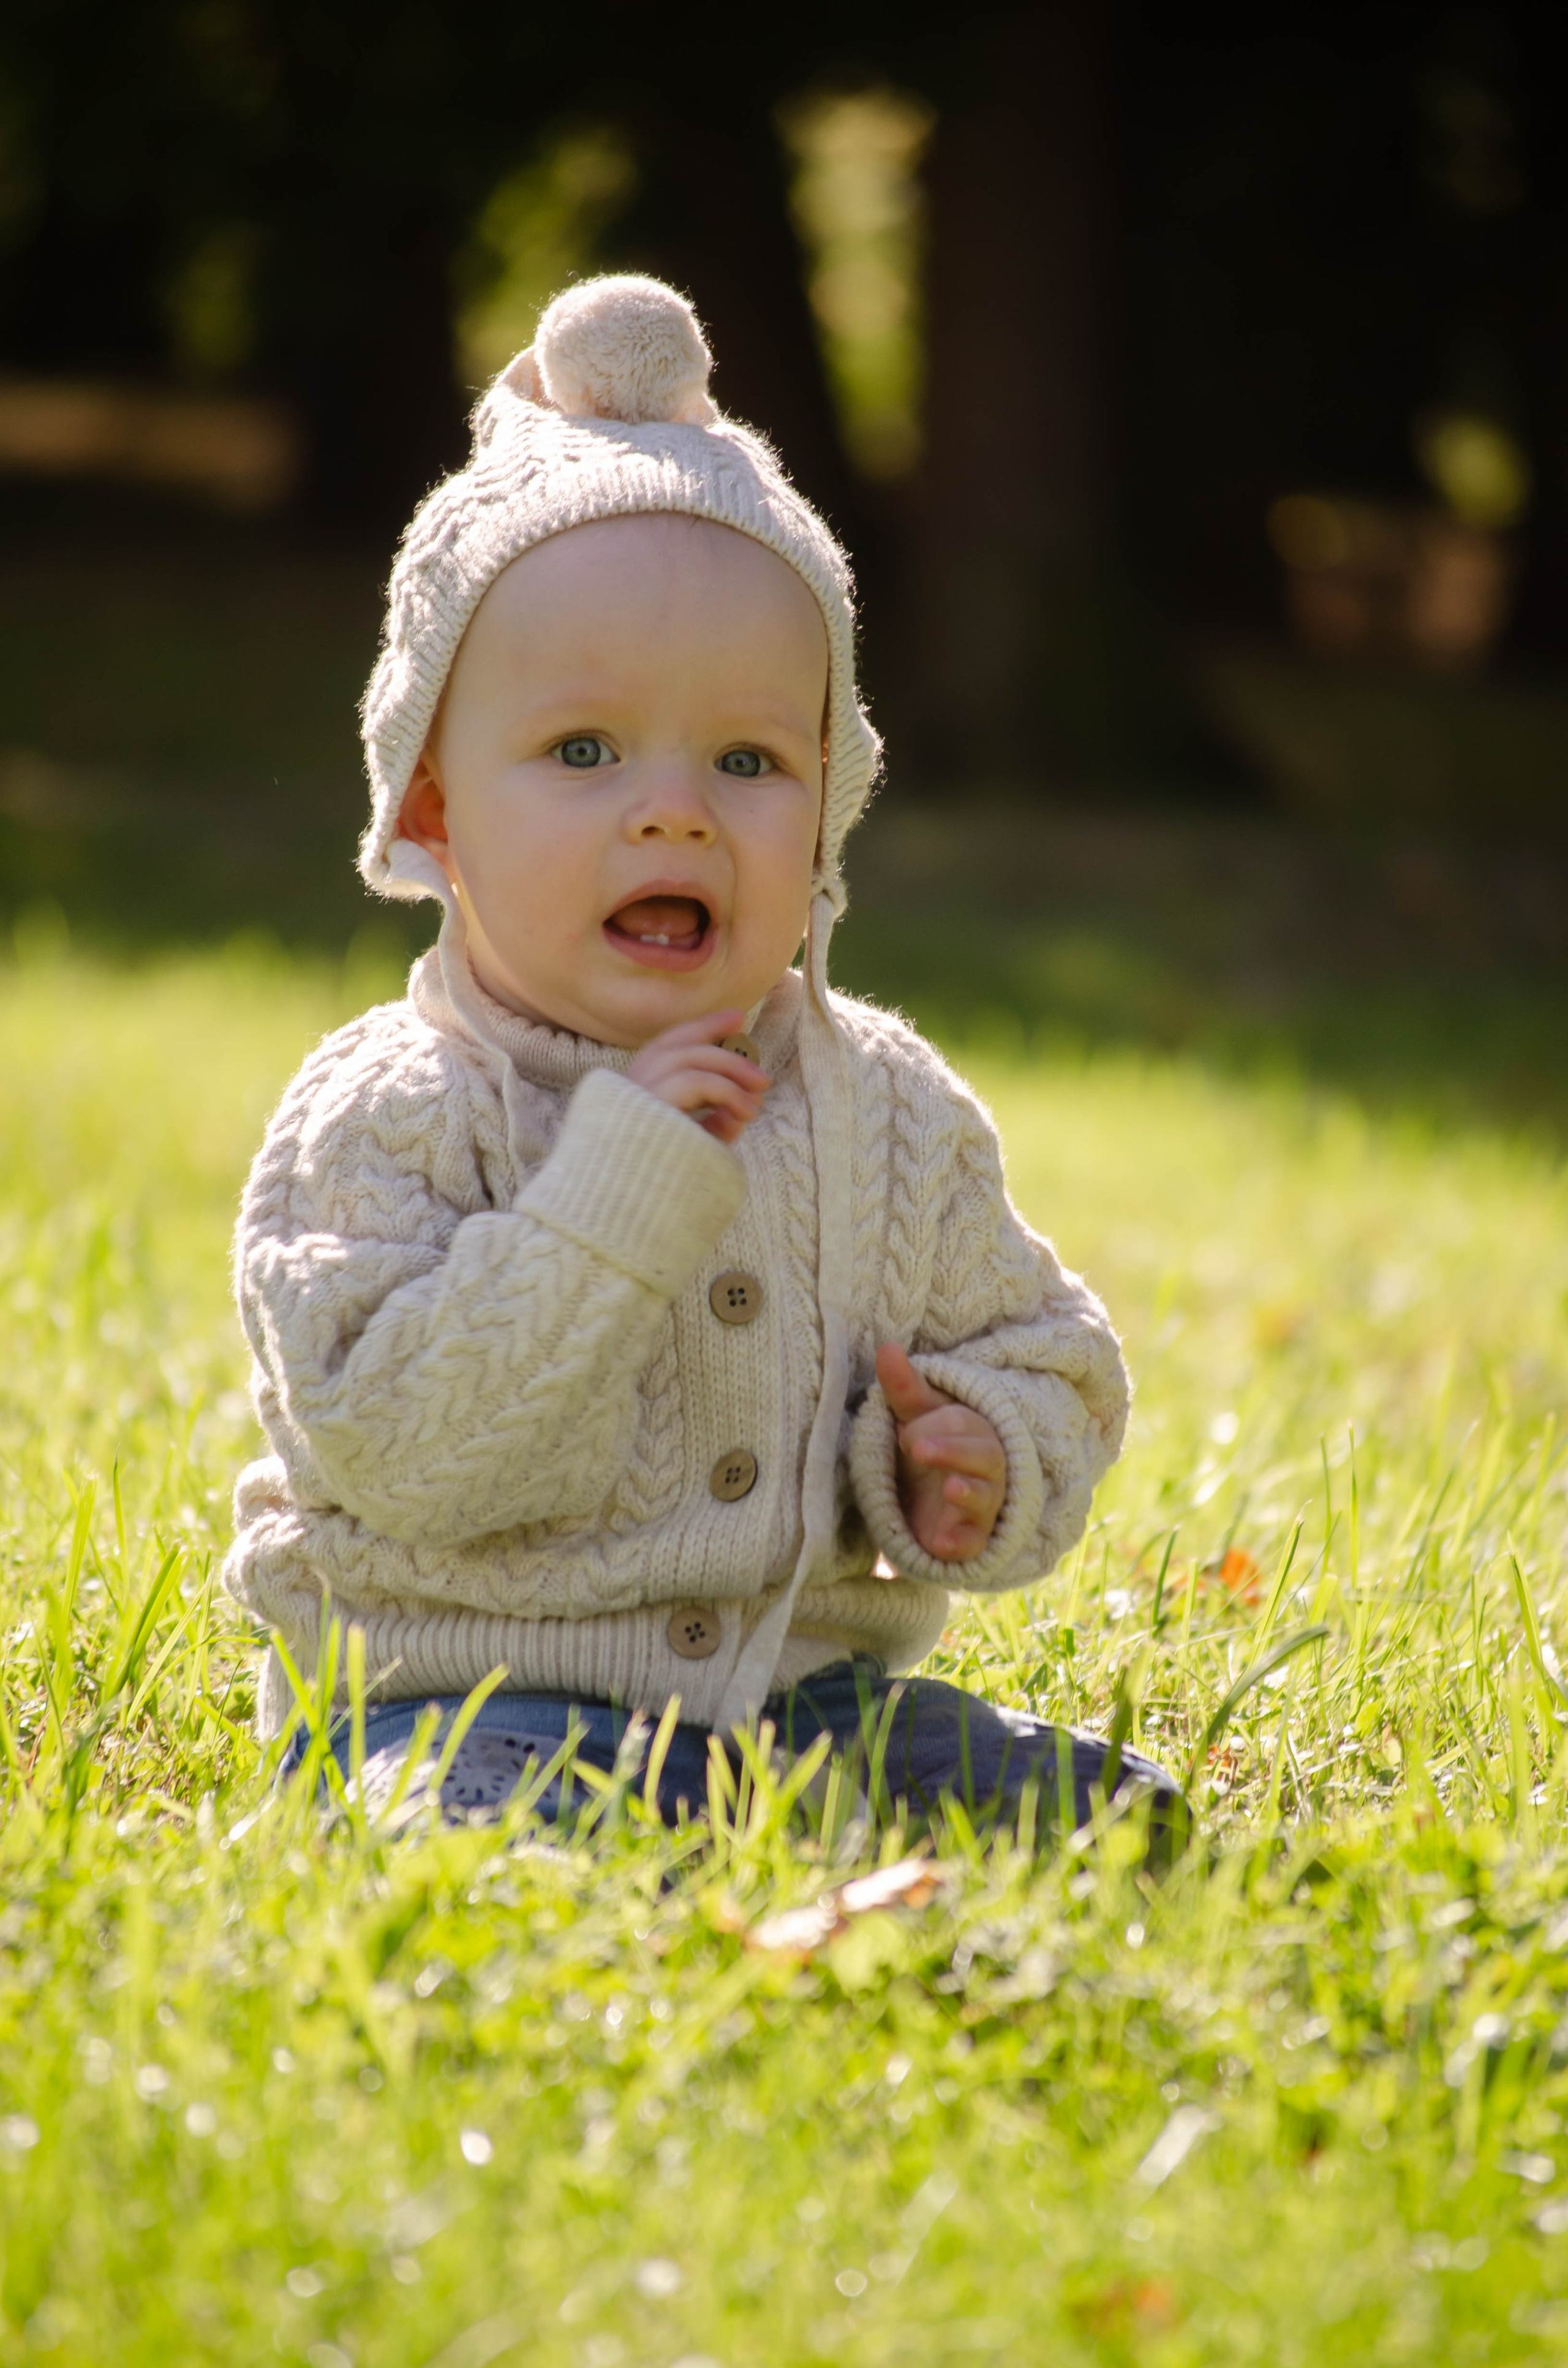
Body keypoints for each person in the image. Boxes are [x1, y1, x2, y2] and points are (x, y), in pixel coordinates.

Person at [226, 274, 1180, 1843]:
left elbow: (1042, 1341)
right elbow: (396, 1447)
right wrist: (608, 1199)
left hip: (793, 1700)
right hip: (465, 1693)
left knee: (1098, 1818)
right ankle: (519, 1852)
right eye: (584, 752)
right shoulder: (394, 1109)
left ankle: (837, 1822)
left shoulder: (877, 1105)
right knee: (476, 1840)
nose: (672, 812)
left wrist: (976, 1452)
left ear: (828, 808)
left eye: (747, 760)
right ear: (434, 811)